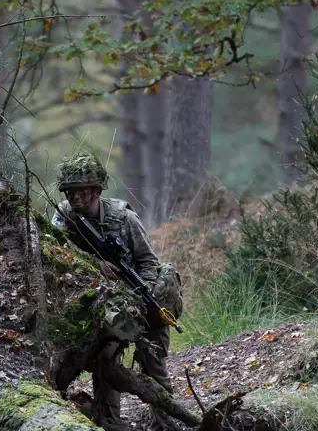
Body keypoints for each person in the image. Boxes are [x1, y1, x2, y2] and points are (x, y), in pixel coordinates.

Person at [51, 151, 183, 431]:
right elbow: (55, 251)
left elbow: (149, 262)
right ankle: (109, 421)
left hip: (139, 297)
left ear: (96, 191)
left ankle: (166, 421)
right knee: (106, 360)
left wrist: (139, 298)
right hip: (102, 304)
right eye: (70, 192)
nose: (75, 198)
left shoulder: (124, 219)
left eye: (81, 192)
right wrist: (95, 264)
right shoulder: (64, 216)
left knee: (152, 361)